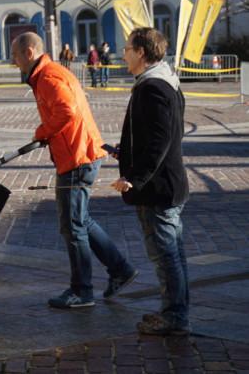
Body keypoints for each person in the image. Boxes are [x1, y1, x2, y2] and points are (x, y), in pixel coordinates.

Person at [11, 32, 137, 309]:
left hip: (78, 156)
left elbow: (66, 111)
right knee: (80, 221)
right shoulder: (51, 72)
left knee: (72, 225)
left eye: (16, 56)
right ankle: (120, 269)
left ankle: (82, 290)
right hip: (81, 153)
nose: (14, 62)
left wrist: (42, 132)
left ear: (29, 53)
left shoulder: (47, 77)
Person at [111, 27, 190, 336]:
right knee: (172, 254)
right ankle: (175, 312)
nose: (123, 54)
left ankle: (175, 317)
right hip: (166, 184)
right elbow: (155, 136)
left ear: (141, 52)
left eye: (128, 48)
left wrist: (134, 178)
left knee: (166, 255)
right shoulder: (161, 81)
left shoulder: (153, 87)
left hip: (158, 188)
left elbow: (160, 140)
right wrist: (125, 153)